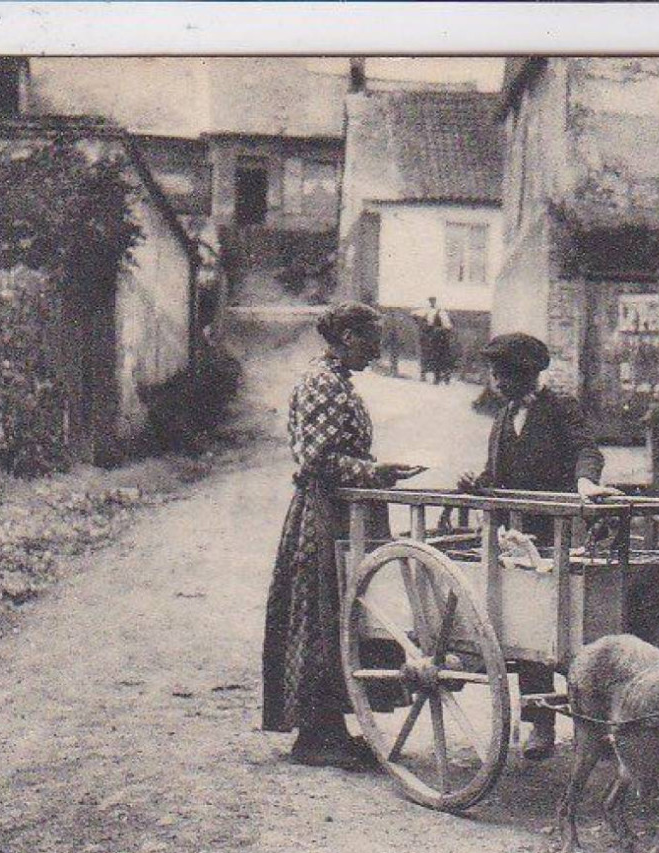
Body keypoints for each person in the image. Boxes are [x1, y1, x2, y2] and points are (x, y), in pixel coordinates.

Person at [262, 302, 424, 769]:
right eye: (371, 340)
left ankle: (332, 726)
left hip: (347, 509)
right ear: (348, 336)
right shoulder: (321, 383)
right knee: (323, 610)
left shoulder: (335, 381)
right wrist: (377, 471)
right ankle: (315, 733)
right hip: (326, 514)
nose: (376, 351)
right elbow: (318, 460)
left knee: (348, 612)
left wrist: (374, 474)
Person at [457, 331, 619, 759]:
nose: (496, 381)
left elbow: (588, 450)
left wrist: (586, 482)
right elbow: (499, 473)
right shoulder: (504, 414)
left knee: (565, 627)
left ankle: (593, 723)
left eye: (503, 373)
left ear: (527, 374)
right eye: (494, 373)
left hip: (555, 533)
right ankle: (540, 723)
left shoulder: (561, 407)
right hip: (513, 534)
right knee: (525, 623)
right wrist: (479, 483)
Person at [412, 297, 455, 385]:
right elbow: (414, 314)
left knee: (440, 357)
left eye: (433, 301)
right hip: (428, 336)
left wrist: (440, 329)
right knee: (425, 355)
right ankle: (424, 373)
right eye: (430, 301)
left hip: (439, 338)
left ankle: (442, 376)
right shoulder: (426, 311)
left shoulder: (441, 312)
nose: (432, 302)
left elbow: (448, 326)